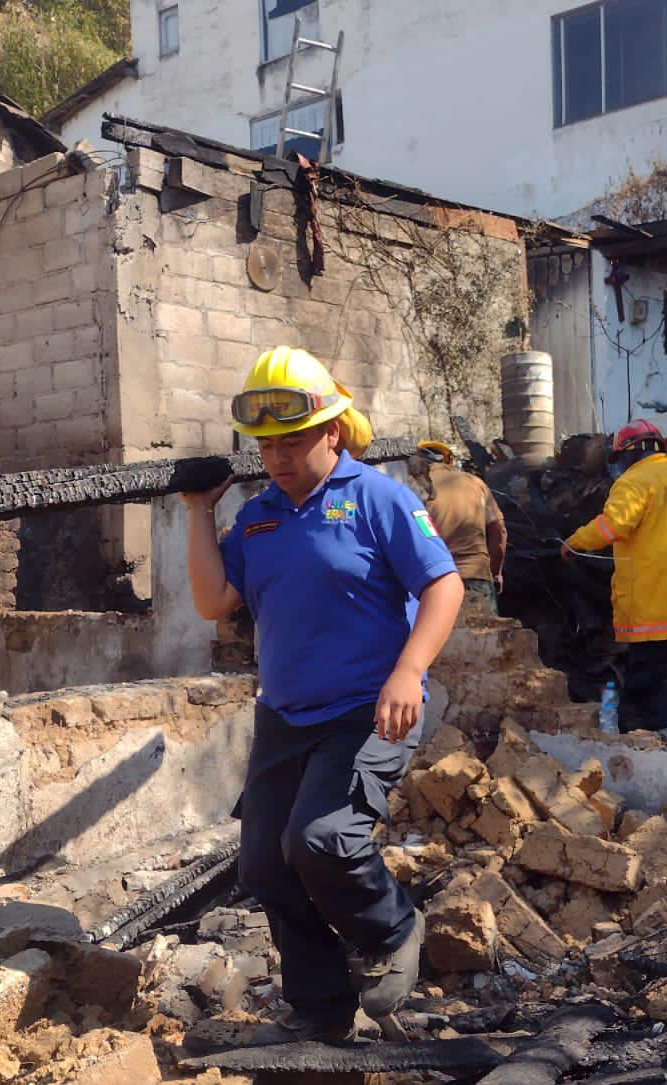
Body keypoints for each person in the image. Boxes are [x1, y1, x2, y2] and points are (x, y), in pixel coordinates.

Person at [182, 346, 463, 1043]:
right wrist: (196, 512)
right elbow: (215, 600)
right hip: (284, 715)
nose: (277, 458)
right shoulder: (260, 517)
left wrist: (409, 671)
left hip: (368, 709)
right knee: (265, 865)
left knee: (322, 838)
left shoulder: (377, 498)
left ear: (332, 430)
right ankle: (321, 1008)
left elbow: (443, 585)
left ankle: (393, 927)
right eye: (266, 445)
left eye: (293, 442)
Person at [559, 419, 667, 739]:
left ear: (626, 455)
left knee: (651, 678)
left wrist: (573, 542)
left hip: (658, 601)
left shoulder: (634, 481)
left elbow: (613, 526)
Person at [410, 441, 507, 613]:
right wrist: (495, 572)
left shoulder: (412, 489)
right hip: (475, 577)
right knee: (487, 636)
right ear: (448, 462)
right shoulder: (475, 483)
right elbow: (499, 531)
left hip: (433, 581)